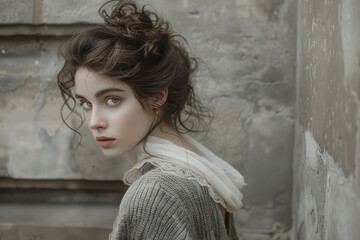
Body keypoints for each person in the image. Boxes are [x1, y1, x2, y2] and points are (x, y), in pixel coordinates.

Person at [57, 0, 246, 239]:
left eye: (112, 100)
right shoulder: (199, 165)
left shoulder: (154, 194)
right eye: (86, 103)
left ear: (157, 98)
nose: (94, 121)